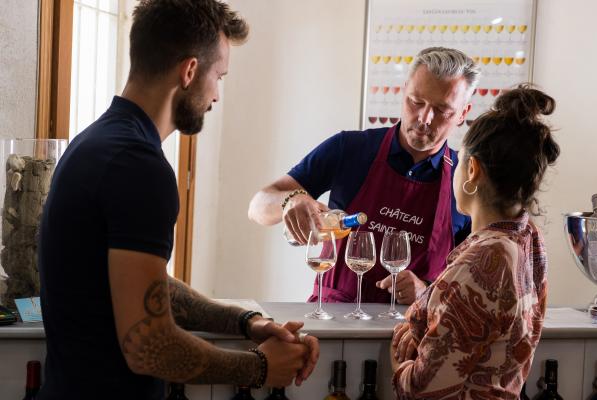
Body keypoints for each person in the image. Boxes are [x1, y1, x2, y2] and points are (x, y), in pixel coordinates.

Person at [38, 1, 318, 399]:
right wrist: (259, 366)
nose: (217, 95)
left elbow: (151, 289)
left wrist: (246, 322)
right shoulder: (139, 166)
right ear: (189, 71)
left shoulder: (96, 145)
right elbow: (148, 347)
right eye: (219, 76)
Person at [248, 47, 480, 304]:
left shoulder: (468, 179)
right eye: (416, 102)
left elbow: (473, 279)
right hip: (334, 324)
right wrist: (289, 201)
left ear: (463, 113)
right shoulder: (349, 148)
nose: (424, 118)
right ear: (403, 91)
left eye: (441, 109)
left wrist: (428, 291)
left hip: (415, 333)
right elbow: (258, 205)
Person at [390, 85, 559, 399]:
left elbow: (419, 391)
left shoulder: (483, 259)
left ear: (471, 170)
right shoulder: (530, 239)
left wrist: (401, 358)